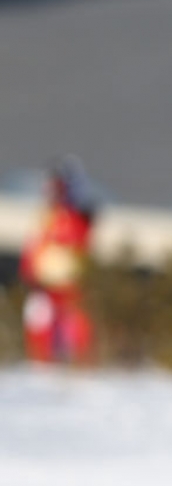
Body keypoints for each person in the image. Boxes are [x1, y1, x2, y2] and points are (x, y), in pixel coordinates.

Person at [18, 156, 99, 364]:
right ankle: (42, 366)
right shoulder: (46, 218)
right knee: (39, 320)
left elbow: (83, 245)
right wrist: (29, 276)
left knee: (77, 325)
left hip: (72, 288)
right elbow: (33, 249)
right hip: (45, 287)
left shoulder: (76, 219)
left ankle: (78, 364)